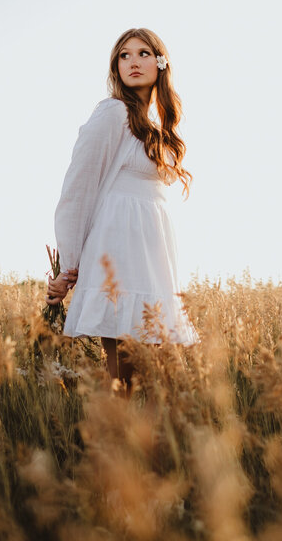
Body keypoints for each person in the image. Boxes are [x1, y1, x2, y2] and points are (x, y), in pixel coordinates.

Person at [47, 28, 199, 387]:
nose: (133, 62)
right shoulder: (112, 113)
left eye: (143, 53)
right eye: (124, 55)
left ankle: (133, 436)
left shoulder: (158, 126)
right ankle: (112, 437)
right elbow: (77, 188)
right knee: (125, 373)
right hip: (119, 247)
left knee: (155, 372)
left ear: (161, 63)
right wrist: (70, 265)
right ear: (116, 67)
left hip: (153, 252)